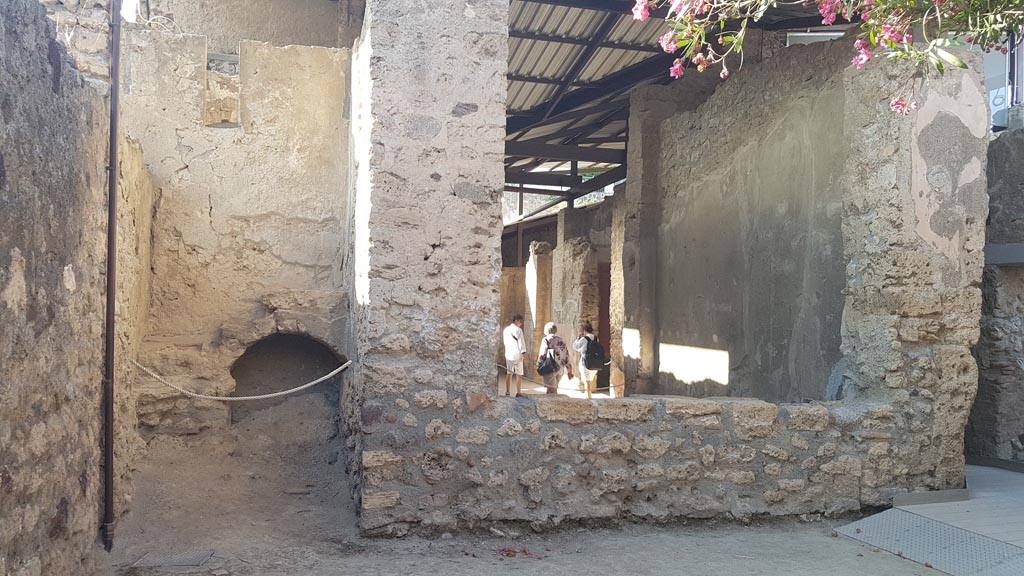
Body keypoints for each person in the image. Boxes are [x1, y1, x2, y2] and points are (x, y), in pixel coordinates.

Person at [538, 322, 573, 394]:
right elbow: (566, 355)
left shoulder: (546, 339)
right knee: (551, 389)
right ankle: (547, 404)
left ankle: (554, 404)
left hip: (550, 367)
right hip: (560, 368)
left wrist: (539, 364)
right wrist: (569, 370)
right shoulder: (561, 340)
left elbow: (543, 353)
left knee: (552, 390)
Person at [502, 314, 527, 397]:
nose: (521, 324)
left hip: (508, 354)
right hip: (517, 355)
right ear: (516, 321)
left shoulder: (506, 330)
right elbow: (521, 343)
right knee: (519, 374)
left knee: (509, 373)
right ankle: (519, 392)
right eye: (520, 322)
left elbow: (505, 342)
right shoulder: (518, 330)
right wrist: (524, 354)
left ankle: (507, 391)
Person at [573, 321, 598, 399]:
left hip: (585, 361)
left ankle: (588, 397)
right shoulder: (596, 338)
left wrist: (578, 338)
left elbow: (576, 347)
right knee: (590, 380)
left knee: (587, 381)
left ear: (584, 331)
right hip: (594, 361)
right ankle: (589, 395)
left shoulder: (584, 339)